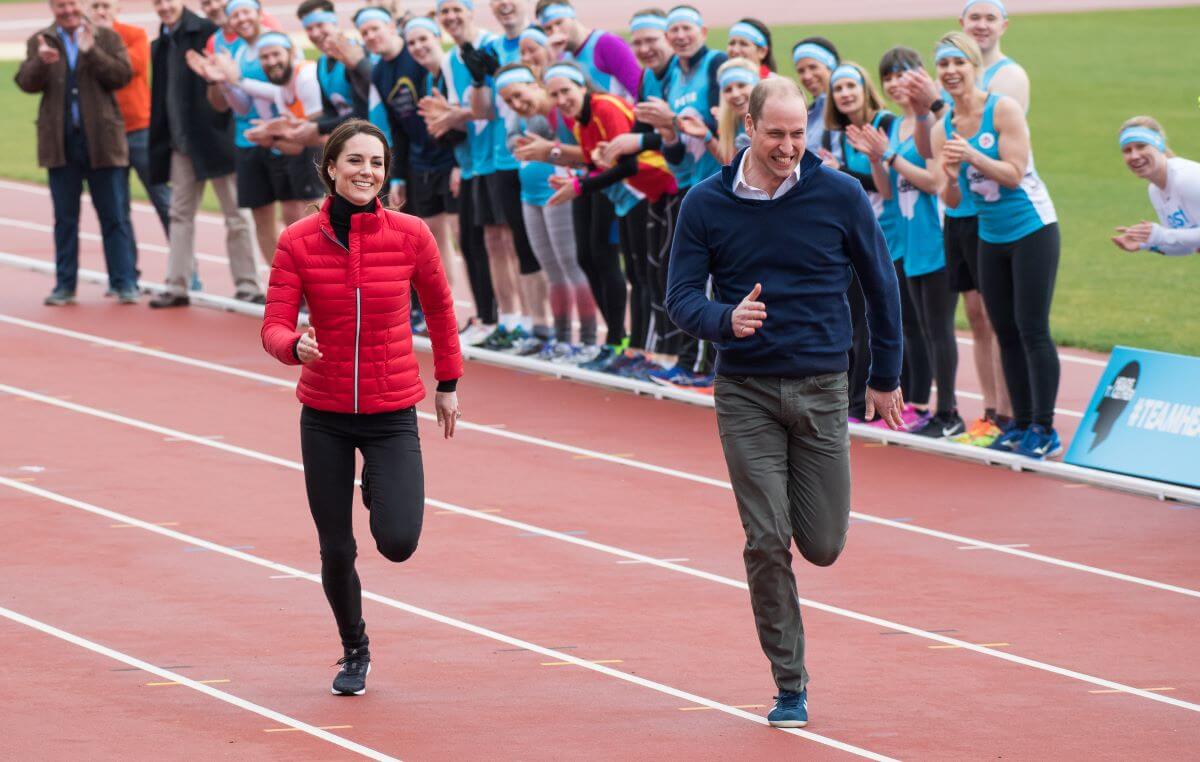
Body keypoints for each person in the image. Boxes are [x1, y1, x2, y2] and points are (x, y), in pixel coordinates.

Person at [665, 77, 903, 729]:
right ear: (748, 125)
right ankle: (790, 683)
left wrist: (886, 374)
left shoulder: (841, 195)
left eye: (800, 134)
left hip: (824, 386)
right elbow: (681, 295)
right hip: (744, 391)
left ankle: (805, 536)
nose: (789, 147)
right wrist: (722, 320)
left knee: (822, 545)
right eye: (776, 134)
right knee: (767, 538)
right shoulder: (705, 204)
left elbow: (883, 288)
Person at [260, 119, 463, 696]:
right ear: (329, 167)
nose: (365, 173)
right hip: (323, 413)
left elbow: (442, 311)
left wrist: (448, 381)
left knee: (398, 541)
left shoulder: (410, 234)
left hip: (392, 409)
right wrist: (291, 346)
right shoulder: (297, 239)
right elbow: (274, 322)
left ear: (386, 171)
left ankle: (376, 480)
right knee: (336, 547)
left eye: (375, 163)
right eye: (354, 161)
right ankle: (355, 648)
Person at [931, 33, 1061, 459]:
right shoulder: (941, 127)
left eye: (958, 63)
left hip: (1031, 228)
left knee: (1032, 327)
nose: (951, 72)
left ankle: (1044, 426)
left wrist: (971, 155)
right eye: (944, 64)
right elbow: (951, 201)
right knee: (1004, 329)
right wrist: (949, 176)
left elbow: (1013, 173)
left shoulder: (1001, 109)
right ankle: (1020, 422)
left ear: (974, 67)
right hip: (989, 235)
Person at [543, 61, 678, 377]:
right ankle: (637, 349)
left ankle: (656, 351)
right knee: (636, 275)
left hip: (653, 188)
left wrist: (580, 186)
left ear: (582, 86)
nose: (562, 99)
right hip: (632, 196)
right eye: (555, 94)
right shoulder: (578, 120)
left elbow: (628, 165)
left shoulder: (605, 107)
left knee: (650, 276)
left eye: (566, 90)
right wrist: (577, 178)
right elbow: (601, 164)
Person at [861, 46, 963, 436]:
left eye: (903, 73)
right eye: (888, 77)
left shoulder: (933, 124)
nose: (895, 83)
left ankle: (948, 411)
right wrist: (876, 157)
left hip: (935, 237)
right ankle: (921, 404)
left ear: (921, 75)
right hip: (905, 239)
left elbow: (935, 182)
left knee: (938, 328)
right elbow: (888, 193)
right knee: (915, 328)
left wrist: (889, 157)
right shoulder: (896, 127)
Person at [821, 62, 929, 427]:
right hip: (857, 235)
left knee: (887, 318)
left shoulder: (884, 123)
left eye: (851, 86)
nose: (845, 94)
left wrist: (842, 172)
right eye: (838, 89)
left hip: (892, 232)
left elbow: (881, 182)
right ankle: (856, 400)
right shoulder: (844, 132)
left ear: (865, 88)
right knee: (855, 319)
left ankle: (904, 399)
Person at [16, 0, 139, 305]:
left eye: (72, 5)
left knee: (113, 216)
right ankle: (65, 285)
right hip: (60, 143)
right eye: (61, 6)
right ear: (52, 8)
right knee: (65, 219)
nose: (68, 11)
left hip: (102, 140)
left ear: (80, 6)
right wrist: (40, 62)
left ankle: (124, 283)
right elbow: (25, 83)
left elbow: (122, 76)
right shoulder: (41, 40)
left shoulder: (106, 38)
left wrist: (91, 52)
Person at [146, 0, 263, 308]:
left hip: (215, 140)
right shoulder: (159, 44)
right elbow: (161, 97)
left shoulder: (207, 33)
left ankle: (248, 284)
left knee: (236, 216)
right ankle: (177, 285)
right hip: (179, 144)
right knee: (179, 214)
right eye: (157, 2)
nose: (163, 7)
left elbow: (226, 85)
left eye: (167, 0)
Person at [497, 61, 599, 358]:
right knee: (552, 271)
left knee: (570, 266)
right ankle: (562, 338)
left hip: (559, 193)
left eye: (518, 95)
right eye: (508, 101)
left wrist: (550, 150)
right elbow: (512, 142)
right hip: (530, 195)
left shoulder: (559, 112)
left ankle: (589, 341)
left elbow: (587, 154)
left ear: (534, 84)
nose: (516, 104)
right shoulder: (520, 116)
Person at [90, 0, 171, 255]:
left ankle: (187, 274)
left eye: (106, 6)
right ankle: (126, 276)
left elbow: (129, 69)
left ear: (117, 9)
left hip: (140, 129)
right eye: (95, 6)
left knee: (164, 201)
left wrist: (98, 43)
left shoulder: (134, 35)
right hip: (106, 135)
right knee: (116, 207)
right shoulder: (79, 40)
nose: (101, 11)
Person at [1112, 117, 1200, 257]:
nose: (1134, 155)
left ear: (1159, 146)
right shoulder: (1155, 190)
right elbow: (1185, 247)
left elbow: (1168, 236)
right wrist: (1145, 242)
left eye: (1141, 146)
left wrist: (1161, 234)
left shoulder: (1186, 177)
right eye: (1127, 150)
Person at [535, 0, 642, 100]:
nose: (555, 31)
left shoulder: (607, 43)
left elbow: (638, 90)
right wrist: (551, 60)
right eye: (548, 29)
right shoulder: (561, 57)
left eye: (559, 23)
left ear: (572, 17)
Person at [790, 36, 837, 154]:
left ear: (831, 67)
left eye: (813, 67)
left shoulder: (845, 110)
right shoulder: (809, 112)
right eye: (801, 71)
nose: (807, 76)